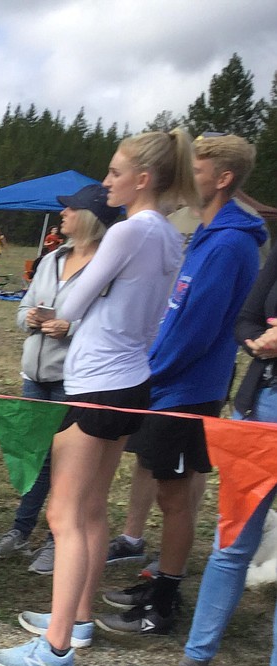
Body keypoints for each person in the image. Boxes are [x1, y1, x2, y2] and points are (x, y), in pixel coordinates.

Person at [0, 129, 196, 666]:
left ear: (142, 179)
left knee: (64, 513)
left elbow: (71, 300)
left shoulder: (129, 232)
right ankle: (76, 618)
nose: (105, 183)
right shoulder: (170, 236)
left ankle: (55, 648)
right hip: (130, 380)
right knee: (93, 510)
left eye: (113, 172)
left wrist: (80, 292)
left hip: (99, 382)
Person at [95, 133, 266, 637]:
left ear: (224, 177)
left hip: (186, 387)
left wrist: (148, 373)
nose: (187, 175)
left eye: (197, 167)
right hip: (168, 381)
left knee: (174, 498)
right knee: (164, 489)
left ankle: (164, 601)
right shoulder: (209, 233)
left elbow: (197, 326)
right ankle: (159, 580)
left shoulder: (231, 242)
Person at [152, 245, 277, 666]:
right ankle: (196, 662)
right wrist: (259, 341)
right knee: (230, 549)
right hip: (257, 415)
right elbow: (244, 318)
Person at [0, 185, 118, 575]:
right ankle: (20, 531)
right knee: (35, 458)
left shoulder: (106, 266)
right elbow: (24, 306)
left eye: (69, 208)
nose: (62, 214)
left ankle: (57, 541)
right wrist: (27, 317)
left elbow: (107, 322)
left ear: (89, 217)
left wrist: (69, 327)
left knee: (67, 466)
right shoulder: (51, 259)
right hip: (35, 374)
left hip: (73, 379)